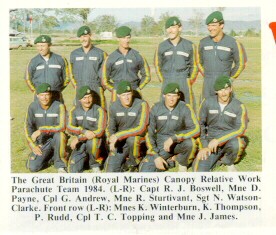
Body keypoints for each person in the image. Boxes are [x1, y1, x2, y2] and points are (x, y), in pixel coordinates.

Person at [193, 75, 249, 172]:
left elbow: (241, 128)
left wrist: (219, 140)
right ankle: (216, 159)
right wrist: (204, 146)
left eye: (226, 89)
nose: (223, 93)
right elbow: (200, 125)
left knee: (238, 144)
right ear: (216, 91)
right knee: (198, 170)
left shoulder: (239, 106)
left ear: (231, 89)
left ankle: (228, 161)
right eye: (220, 90)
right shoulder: (207, 102)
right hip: (210, 141)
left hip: (229, 140)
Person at [139, 83, 199, 172]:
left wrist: (174, 138)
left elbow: (196, 129)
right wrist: (156, 156)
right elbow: (149, 133)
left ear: (178, 96)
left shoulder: (185, 107)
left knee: (191, 144)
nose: (171, 99)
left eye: (174, 96)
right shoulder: (156, 108)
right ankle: (170, 160)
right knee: (146, 170)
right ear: (164, 96)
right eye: (169, 95)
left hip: (178, 142)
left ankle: (183, 163)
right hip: (161, 143)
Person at [197, 11, 247, 100]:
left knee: (225, 111)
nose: (210, 28)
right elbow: (198, 62)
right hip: (208, 85)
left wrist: (229, 78)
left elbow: (241, 63)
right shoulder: (203, 43)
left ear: (221, 25)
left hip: (224, 85)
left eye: (213, 25)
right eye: (208, 25)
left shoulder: (233, 43)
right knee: (205, 111)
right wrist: (208, 74)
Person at [104, 80, 149, 172]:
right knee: (110, 170)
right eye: (124, 95)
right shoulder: (113, 106)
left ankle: (135, 162)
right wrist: (111, 139)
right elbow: (110, 128)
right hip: (120, 143)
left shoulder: (142, 104)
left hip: (137, 140)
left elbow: (141, 128)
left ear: (132, 93)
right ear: (118, 95)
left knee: (132, 140)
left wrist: (118, 135)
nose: (127, 98)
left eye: (128, 94)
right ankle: (125, 161)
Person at [154, 16, 198, 109]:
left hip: (183, 80)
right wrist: (164, 80)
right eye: (168, 28)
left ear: (180, 28)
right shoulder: (161, 46)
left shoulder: (190, 45)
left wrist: (188, 81)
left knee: (187, 108)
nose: (170, 30)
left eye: (173, 27)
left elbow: (194, 65)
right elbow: (157, 65)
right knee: (165, 109)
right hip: (167, 80)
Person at [24, 83, 68, 173]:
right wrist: (34, 146)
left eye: (47, 94)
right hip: (42, 142)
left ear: (51, 95)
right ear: (37, 95)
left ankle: (60, 165)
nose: (44, 98)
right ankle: (51, 157)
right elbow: (28, 127)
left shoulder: (59, 106)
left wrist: (42, 130)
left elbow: (62, 126)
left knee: (60, 135)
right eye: (42, 95)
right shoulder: (32, 107)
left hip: (55, 139)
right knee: (33, 167)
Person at [102, 26, 151, 102]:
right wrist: (115, 89)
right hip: (117, 93)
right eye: (123, 38)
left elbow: (147, 75)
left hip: (134, 91)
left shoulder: (137, 55)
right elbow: (104, 80)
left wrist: (137, 88)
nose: (126, 40)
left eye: (128, 38)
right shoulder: (110, 58)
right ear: (118, 38)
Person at [67, 86, 107, 173]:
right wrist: (83, 132)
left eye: (89, 97)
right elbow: (69, 127)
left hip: (94, 141)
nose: (88, 100)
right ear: (79, 100)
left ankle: (94, 164)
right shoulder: (74, 110)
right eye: (84, 98)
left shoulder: (99, 110)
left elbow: (100, 131)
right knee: (73, 170)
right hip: (80, 143)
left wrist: (79, 137)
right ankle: (85, 159)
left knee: (92, 143)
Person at [70, 26, 108, 109]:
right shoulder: (74, 54)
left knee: (99, 113)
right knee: (79, 115)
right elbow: (71, 73)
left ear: (90, 36)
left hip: (96, 90)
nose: (83, 39)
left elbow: (106, 75)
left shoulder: (101, 53)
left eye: (85, 36)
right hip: (80, 89)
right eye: (81, 37)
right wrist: (77, 86)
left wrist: (100, 88)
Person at [24, 35, 70, 102]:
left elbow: (67, 78)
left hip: (56, 97)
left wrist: (57, 89)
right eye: (38, 46)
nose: (40, 48)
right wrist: (37, 92)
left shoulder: (61, 59)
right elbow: (27, 78)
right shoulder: (33, 61)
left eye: (43, 46)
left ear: (49, 45)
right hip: (39, 98)